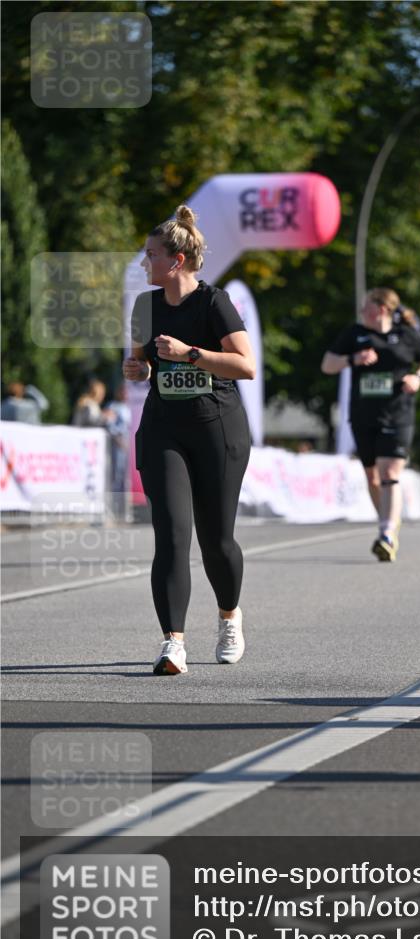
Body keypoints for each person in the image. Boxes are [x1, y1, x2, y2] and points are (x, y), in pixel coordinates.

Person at [123, 204, 255, 675]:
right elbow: (140, 365)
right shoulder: (146, 306)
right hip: (164, 430)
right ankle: (172, 642)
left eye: (151, 255)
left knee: (216, 540)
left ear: (176, 260)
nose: (144, 264)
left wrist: (191, 353)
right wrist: (138, 368)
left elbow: (246, 366)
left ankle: (229, 617)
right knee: (172, 536)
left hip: (217, 427)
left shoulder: (213, 302)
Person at [321, 287, 420, 562]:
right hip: (363, 414)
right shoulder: (355, 334)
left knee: (389, 471)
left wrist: (418, 378)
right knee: (372, 476)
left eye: (366, 307)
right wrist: (353, 359)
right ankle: (387, 522)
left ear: (382, 309)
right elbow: (327, 364)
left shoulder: (407, 335)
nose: (362, 312)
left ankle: (386, 532)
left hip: (398, 413)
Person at [104, 383, 132, 515]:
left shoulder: (127, 407)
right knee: (115, 475)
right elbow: (110, 426)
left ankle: (122, 509)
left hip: (125, 444)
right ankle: (112, 508)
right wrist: (118, 439)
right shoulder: (112, 406)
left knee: (124, 477)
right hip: (116, 444)